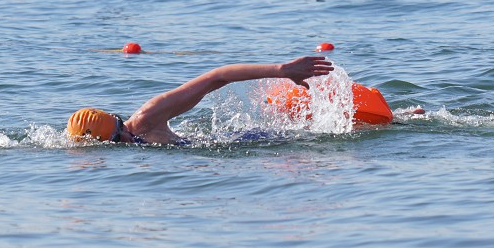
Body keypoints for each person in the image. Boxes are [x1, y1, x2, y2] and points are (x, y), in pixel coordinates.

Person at [66, 56, 334, 145]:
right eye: (116, 138)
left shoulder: (147, 118)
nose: (124, 134)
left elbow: (217, 77)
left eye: (119, 126)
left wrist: (280, 71)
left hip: (250, 139)